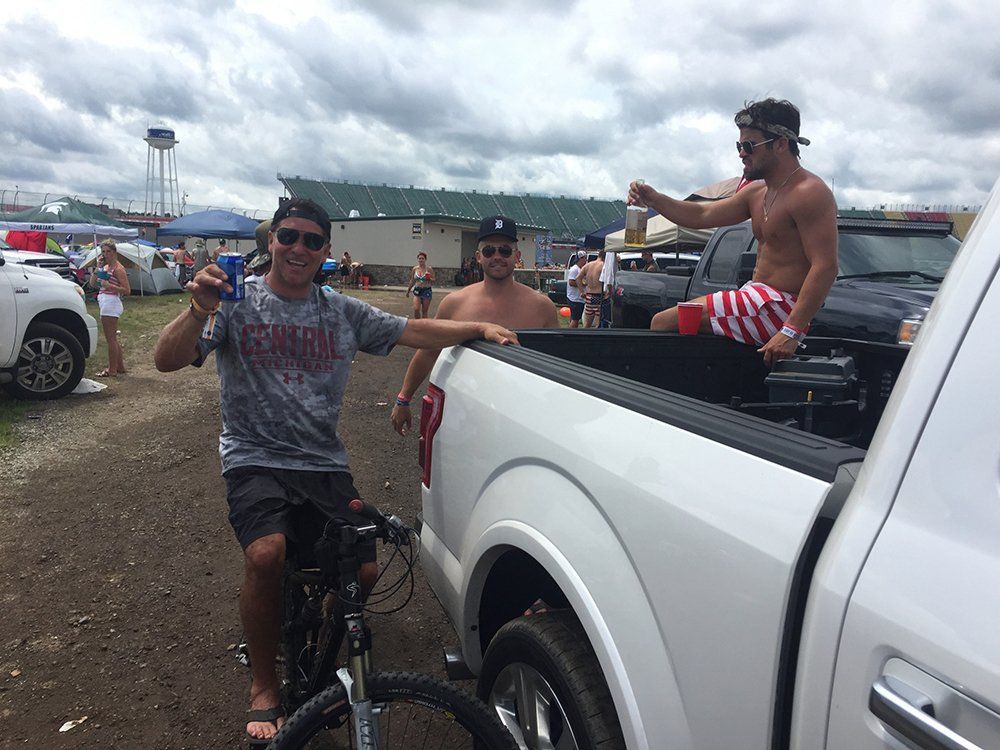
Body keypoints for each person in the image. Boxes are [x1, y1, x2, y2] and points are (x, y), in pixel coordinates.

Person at [153, 198, 517, 746]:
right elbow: (166, 360)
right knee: (266, 553)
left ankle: (321, 630)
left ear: (326, 250)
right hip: (254, 458)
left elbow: (414, 331)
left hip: (321, 463)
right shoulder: (234, 302)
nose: (298, 248)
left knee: (363, 572)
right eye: (289, 236)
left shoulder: (342, 312)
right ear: (271, 241)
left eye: (311, 240)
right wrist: (197, 310)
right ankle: (264, 683)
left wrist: (478, 328)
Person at [631, 98, 837, 366]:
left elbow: (825, 266)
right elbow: (701, 215)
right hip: (757, 298)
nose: (741, 154)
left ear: (781, 144)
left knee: (662, 323)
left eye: (749, 146)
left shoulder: (809, 192)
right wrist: (655, 199)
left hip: (780, 308)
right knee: (690, 330)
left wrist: (791, 331)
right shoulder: (758, 192)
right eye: (739, 146)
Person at [391, 215, 558, 435]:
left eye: (505, 250)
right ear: (478, 257)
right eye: (489, 251)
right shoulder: (455, 304)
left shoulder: (542, 307)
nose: (497, 256)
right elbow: (428, 351)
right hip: (465, 414)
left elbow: (558, 363)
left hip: (524, 417)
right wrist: (403, 398)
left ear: (517, 256)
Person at [90, 239, 131, 377]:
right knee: (112, 337)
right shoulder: (106, 267)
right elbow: (92, 284)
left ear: (114, 252)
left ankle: (112, 369)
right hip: (104, 300)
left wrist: (110, 286)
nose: (105, 254)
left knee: (110, 339)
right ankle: (120, 367)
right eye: (103, 252)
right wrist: (98, 268)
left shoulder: (118, 269)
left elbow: (127, 290)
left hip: (111, 302)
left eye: (108, 251)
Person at [579, 249, 606, 328]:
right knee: (598, 324)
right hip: (599, 296)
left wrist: (582, 291)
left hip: (589, 296)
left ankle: (584, 335)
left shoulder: (588, 265)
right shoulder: (603, 265)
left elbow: (578, 278)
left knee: (587, 324)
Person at [404, 251, 435, 318]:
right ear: (417, 259)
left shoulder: (429, 269)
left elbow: (434, 280)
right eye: (419, 258)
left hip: (426, 290)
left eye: (422, 258)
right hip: (417, 290)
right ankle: (417, 322)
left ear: (425, 259)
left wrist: (429, 278)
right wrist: (408, 291)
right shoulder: (415, 269)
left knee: (424, 311)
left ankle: (424, 323)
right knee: (416, 309)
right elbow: (412, 280)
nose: (421, 260)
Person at [566, 250, 587, 328]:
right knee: (575, 319)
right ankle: (571, 332)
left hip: (578, 298)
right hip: (575, 298)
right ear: (580, 258)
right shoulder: (575, 269)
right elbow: (571, 282)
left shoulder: (581, 269)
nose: (586, 260)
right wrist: (583, 284)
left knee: (574, 318)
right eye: (585, 258)